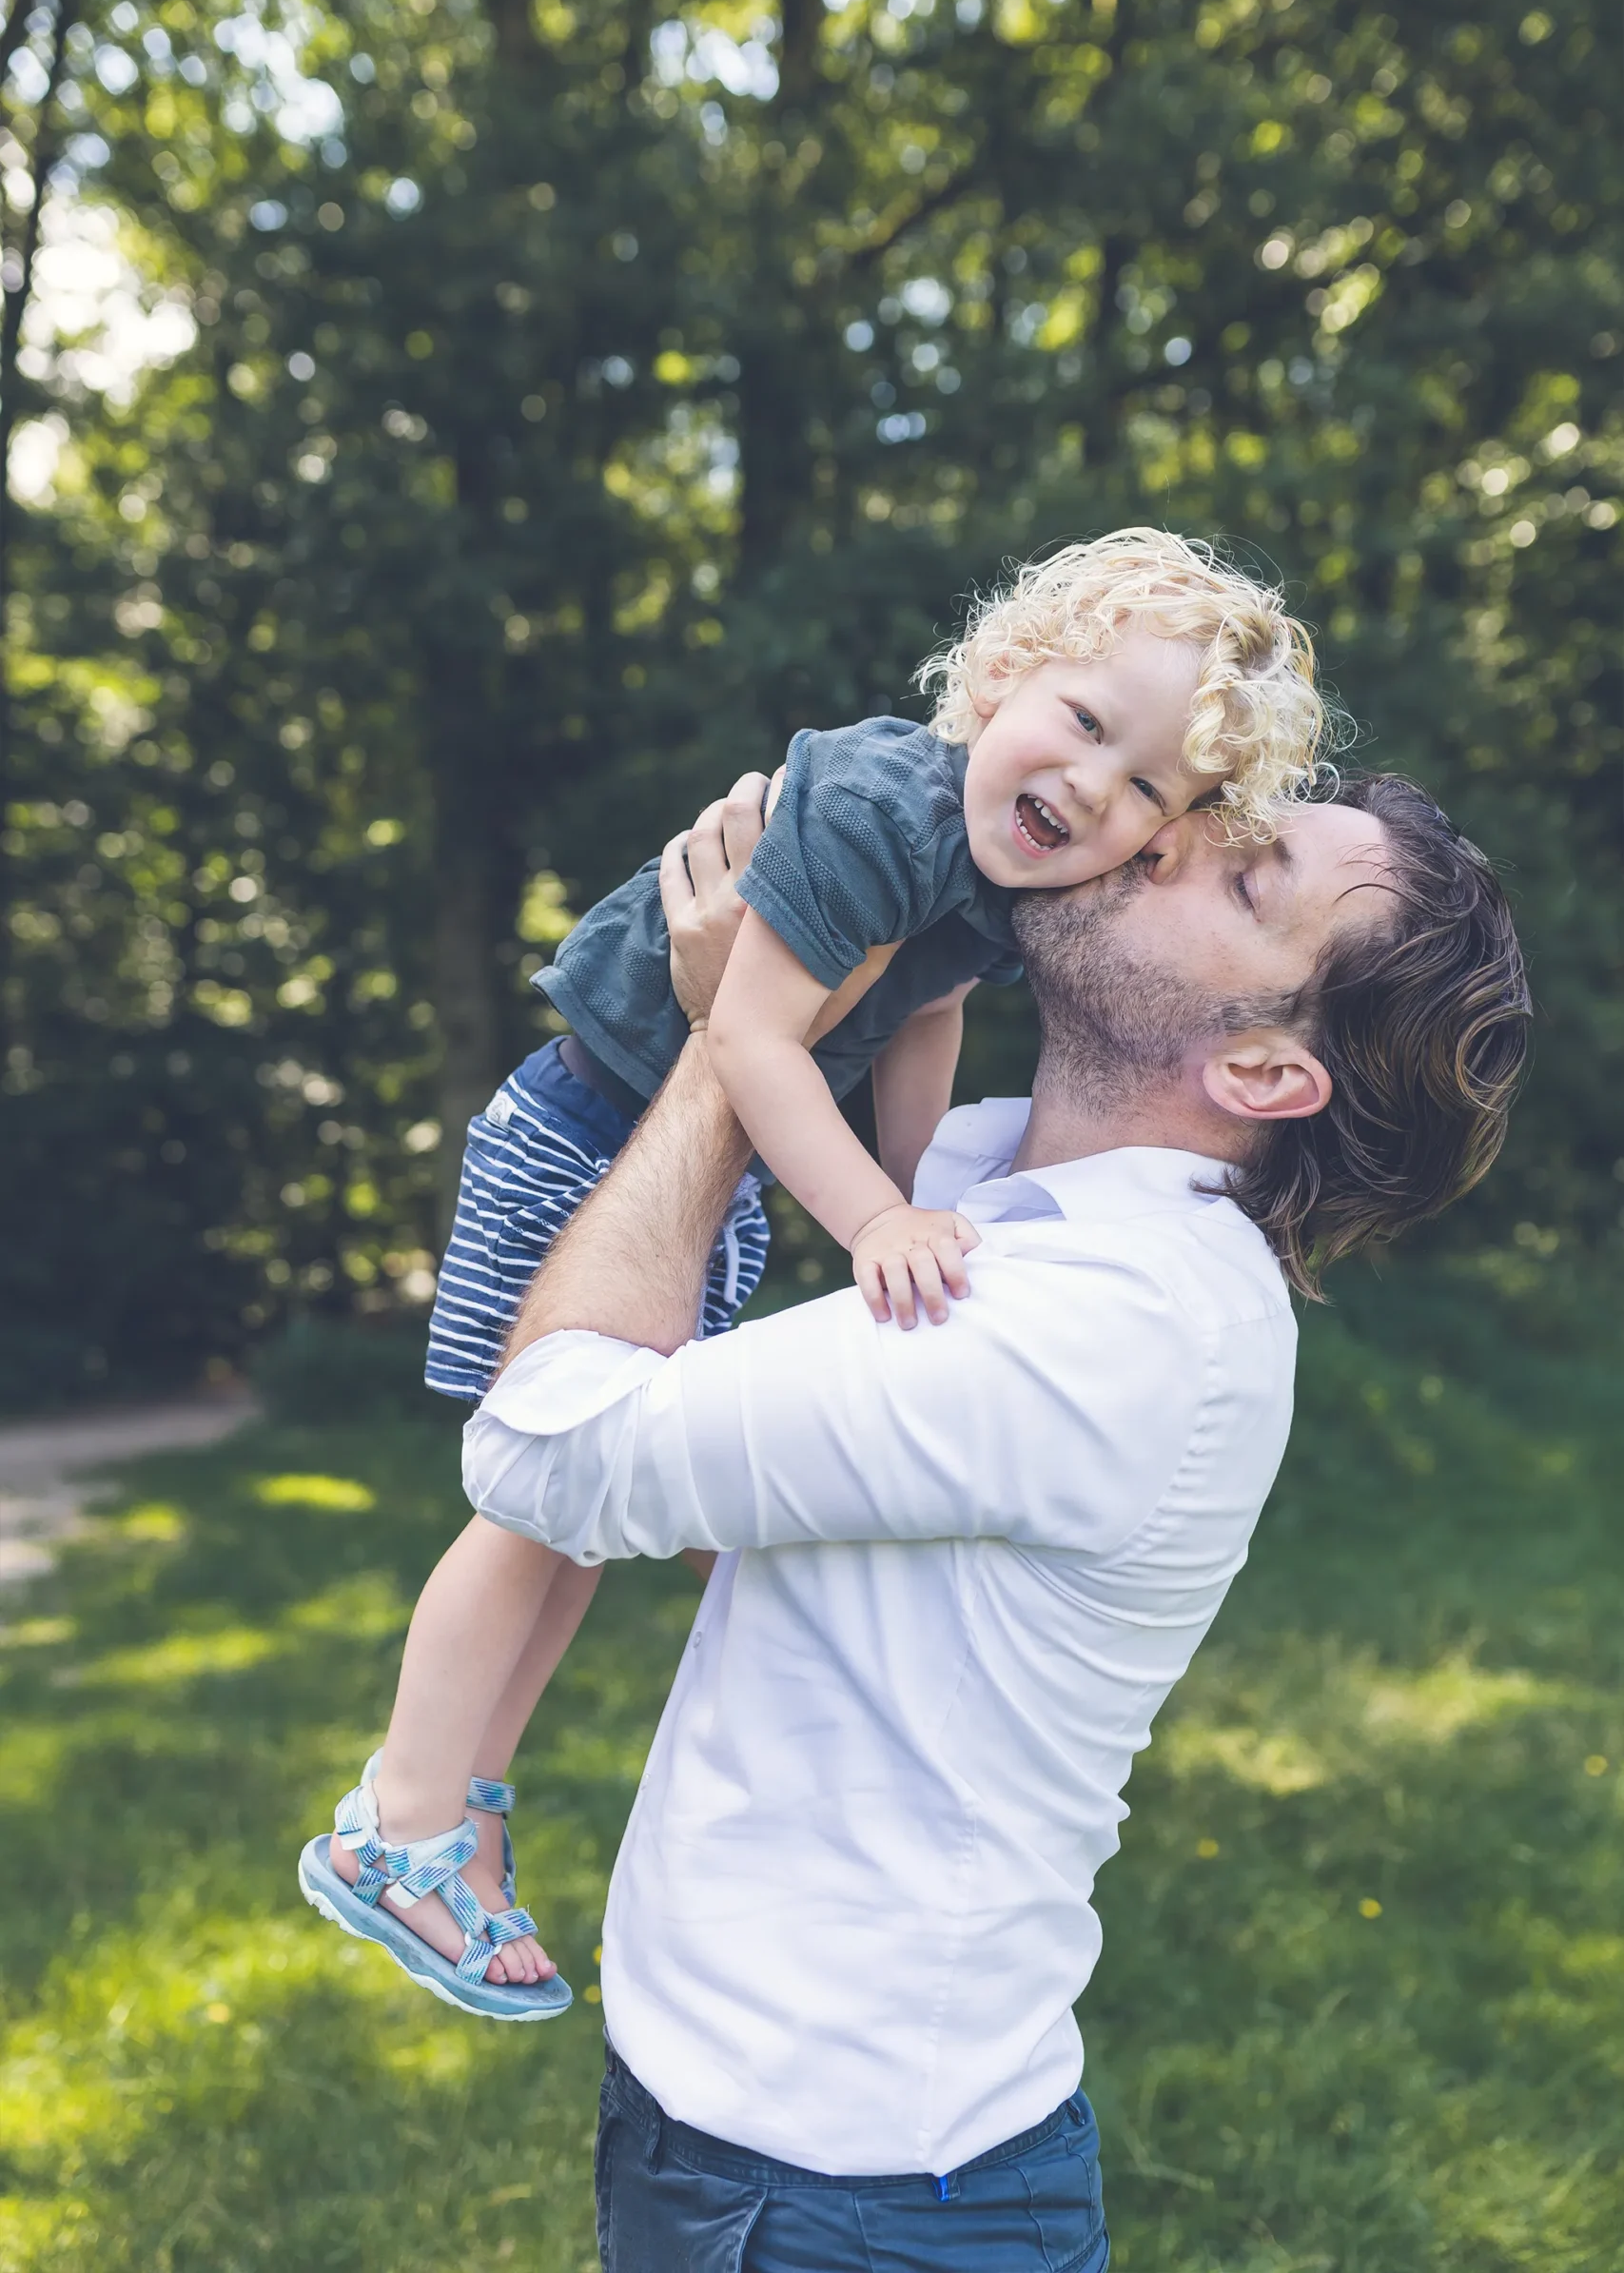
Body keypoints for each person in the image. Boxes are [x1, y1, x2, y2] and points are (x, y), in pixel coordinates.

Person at [449, 764, 1524, 2268]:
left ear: (1267, 1074)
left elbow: (545, 1457)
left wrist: (728, 1038)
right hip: (780, 2138)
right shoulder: (1014, 1224)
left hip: (834, 2199)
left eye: (1246, 878)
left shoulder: (1097, 1324)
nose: (1176, 832)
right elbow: (730, 1527)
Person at [298, 528, 1326, 2010]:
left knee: (581, 1532)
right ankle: (396, 1819)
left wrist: (910, 1191)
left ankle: (468, 1805)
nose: (1092, 787)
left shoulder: (998, 878)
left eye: (1145, 786)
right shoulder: (876, 809)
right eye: (1085, 725)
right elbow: (747, 1039)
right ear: (998, 675)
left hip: (681, 1185)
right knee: (526, 1501)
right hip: (584, 1132)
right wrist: (871, 1230)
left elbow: (922, 1020)